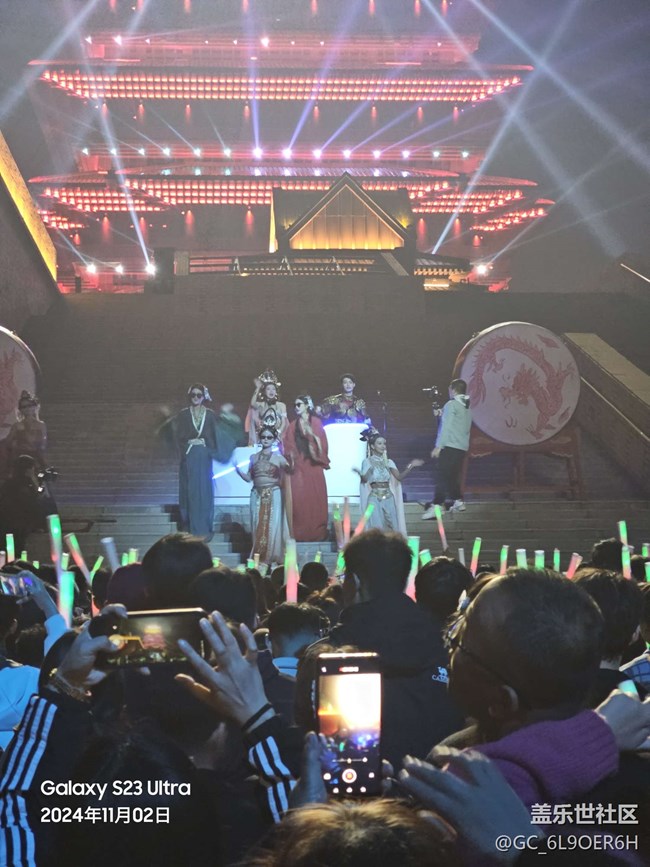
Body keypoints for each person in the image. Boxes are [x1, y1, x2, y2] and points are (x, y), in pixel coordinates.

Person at [159, 383, 228, 540]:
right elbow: (178, 436)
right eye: (193, 395)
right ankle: (189, 528)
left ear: (204, 397)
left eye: (199, 395)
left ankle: (203, 529)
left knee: (203, 491)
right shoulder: (183, 414)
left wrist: (207, 448)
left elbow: (215, 436)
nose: (196, 397)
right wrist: (187, 448)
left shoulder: (210, 415)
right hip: (189, 456)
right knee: (189, 491)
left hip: (203, 457)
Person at [235, 425, 290, 564]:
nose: (266, 439)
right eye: (263, 437)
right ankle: (258, 557)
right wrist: (238, 471)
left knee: (272, 526)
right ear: (260, 438)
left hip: (273, 494)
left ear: (274, 439)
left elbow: (290, 471)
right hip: (256, 494)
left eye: (269, 437)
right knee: (257, 525)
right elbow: (249, 478)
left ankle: (272, 557)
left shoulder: (279, 458)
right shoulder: (253, 457)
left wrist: (288, 453)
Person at [357, 429, 422, 536]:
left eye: (384, 443)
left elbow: (399, 477)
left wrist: (411, 466)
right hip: (374, 498)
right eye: (379, 443)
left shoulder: (389, 462)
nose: (383, 446)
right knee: (377, 528)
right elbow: (364, 480)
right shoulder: (367, 462)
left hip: (388, 496)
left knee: (394, 526)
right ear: (372, 446)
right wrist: (365, 472)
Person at [282, 395, 330, 542]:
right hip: (299, 467)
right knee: (299, 499)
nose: (296, 407)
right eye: (295, 405)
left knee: (316, 498)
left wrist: (311, 436)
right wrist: (292, 457)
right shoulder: (292, 425)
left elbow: (322, 443)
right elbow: (288, 445)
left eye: (299, 404)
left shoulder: (316, 422)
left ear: (307, 405)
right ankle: (299, 533)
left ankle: (317, 533)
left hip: (313, 466)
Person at [422, 379, 472, 518]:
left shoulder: (451, 404)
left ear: (453, 389)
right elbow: (458, 423)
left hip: (450, 445)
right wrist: (441, 413)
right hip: (461, 446)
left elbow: (446, 427)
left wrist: (439, 446)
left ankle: (437, 505)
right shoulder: (466, 406)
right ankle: (458, 501)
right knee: (451, 476)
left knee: (442, 475)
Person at [2, 391, 48, 476]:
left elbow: (43, 445)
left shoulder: (41, 425)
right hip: (20, 460)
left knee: (42, 479)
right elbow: (8, 443)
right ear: (20, 410)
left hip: (36, 460)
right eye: (23, 407)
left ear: (35, 406)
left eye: (30, 405)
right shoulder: (17, 426)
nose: (27, 409)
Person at [248, 370, 288, 445]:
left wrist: (277, 433)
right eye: (268, 389)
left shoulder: (282, 405)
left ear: (276, 391)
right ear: (264, 391)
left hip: (277, 437)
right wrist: (257, 388)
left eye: (273, 389)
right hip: (264, 438)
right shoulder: (261, 405)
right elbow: (252, 403)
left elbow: (284, 422)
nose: (271, 391)